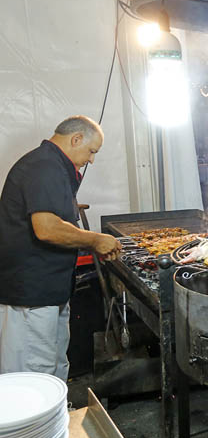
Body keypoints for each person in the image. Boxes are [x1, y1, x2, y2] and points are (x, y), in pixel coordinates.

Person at [0, 115, 122, 381]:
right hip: (32, 295)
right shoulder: (44, 166)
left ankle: (57, 420)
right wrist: (94, 239)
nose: (92, 160)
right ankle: (36, 425)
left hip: (49, 291)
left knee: (53, 366)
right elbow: (46, 228)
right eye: (91, 151)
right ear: (76, 138)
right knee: (33, 376)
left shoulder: (51, 165)